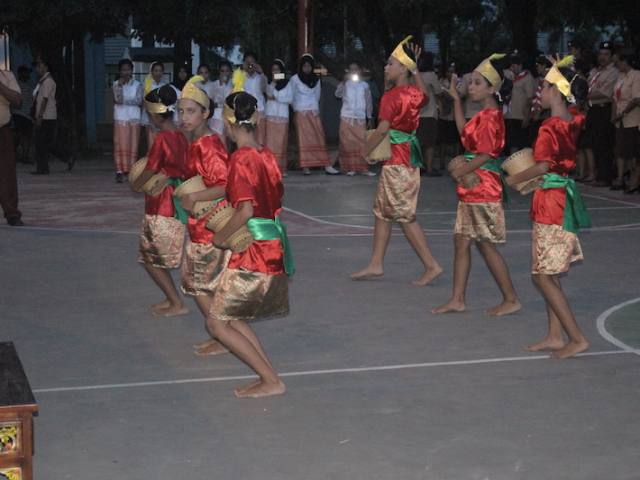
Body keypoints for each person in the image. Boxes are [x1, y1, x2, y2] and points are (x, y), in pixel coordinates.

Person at [206, 90, 293, 398]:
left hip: (253, 250)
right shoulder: (266, 153)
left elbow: (245, 210)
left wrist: (220, 235)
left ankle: (271, 380)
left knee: (217, 324)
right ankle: (268, 374)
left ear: (228, 124)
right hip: (270, 243)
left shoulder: (241, 159)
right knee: (231, 316)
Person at [505, 56, 591, 359]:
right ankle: (555, 335)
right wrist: (565, 69)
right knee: (549, 272)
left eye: (545, 86)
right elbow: (578, 107)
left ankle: (577, 337)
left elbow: (541, 166)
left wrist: (514, 178)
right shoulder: (573, 121)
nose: (540, 91)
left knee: (541, 275)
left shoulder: (548, 128)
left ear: (558, 91)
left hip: (551, 202)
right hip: (561, 199)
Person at [432, 53, 521, 316]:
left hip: (483, 186)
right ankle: (458, 299)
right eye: (470, 82)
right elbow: (464, 134)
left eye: (477, 83)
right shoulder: (483, 115)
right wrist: (456, 100)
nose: (471, 87)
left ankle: (511, 298)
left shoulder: (492, 117)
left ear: (492, 88)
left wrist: (460, 172)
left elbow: (485, 155)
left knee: (484, 244)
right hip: (474, 186)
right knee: (462, 241)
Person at [351, 36, 442, 286]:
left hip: (397, 162)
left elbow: (381, 130)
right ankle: (376, 263)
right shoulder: (412, 93)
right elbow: (424, 95)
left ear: (401, 69)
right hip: (406, 159)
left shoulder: (391, 97)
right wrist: (415, 70)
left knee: (404, 216)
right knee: (382, 212)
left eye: (390, 64)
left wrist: (366, 150)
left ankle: (431, 265)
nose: (385, 67)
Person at [177, 75, 230, 357]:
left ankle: (223, 335)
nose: (183, 117)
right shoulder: (196, 141)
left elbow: (224, 185)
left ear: (206, 113)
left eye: (191, 111)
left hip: (209, 227)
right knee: (201, 284)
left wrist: (194, 197)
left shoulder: (209, 144)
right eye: (180, 111)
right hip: (199, 224)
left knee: (197, 284)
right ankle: (220, 333)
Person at [133, 85, 190, 317]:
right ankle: (171, 298)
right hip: (172, 202)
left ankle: (176, 302)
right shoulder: (180, 136)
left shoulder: (163, 139)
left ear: (156, 114)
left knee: (149, 258)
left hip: (162, 205)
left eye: (149, 113)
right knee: (153, 257)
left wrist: (136, 184)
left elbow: (151, 168)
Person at [291, 54, 339, 175]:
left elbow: (317, 96)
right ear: (301, 66)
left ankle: (326, 164)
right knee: (304, 140)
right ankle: (305, 166)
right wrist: (298, 109)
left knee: (319, 137)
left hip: (313, 111)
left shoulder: (316, 79)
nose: (306, 68)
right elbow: (292, 97)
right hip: (301, 112)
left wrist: (312, 108)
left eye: (309, 66)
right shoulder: (294, 79)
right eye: (304, 66)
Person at [32, 59, 74, 175]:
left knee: (41, 142)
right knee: (45, 143)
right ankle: (65, 158)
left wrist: (40, 116)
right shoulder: (42, 81)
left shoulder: (48, 81)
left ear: (45, 67)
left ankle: (44, 168)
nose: (37, 69)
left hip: (47, 116)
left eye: (39, 66)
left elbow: (45, 99)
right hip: (45, 116)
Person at [586, 41, 619, 187]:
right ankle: (598, 175)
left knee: (605, 144)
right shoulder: (595, 72)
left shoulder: (614, 72)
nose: (602, 57)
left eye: (606, 54)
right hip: (592, 110)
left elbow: (605, 93)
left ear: (612, 56)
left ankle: (606, 177)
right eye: (600, 54)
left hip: (604, 109)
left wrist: (586, 94)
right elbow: (588, 89)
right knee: (595, 143)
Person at [335, 61, 375, 176]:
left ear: (359, 70)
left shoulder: (365, 86)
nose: (354, 71)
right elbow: (337, 94)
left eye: (356, 69)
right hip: (347, 116)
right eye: (351, 69)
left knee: (361, 143)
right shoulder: (345, 84)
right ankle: (350, 168)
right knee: (347, 144)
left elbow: (368, 102)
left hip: (360, 117)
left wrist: (369, 116)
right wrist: (343, 81)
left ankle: (363, 168)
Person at [612, 49, 640, 192]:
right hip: (620, 119)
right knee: (621, 150)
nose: (618, 64)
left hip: (632, 119)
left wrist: (623, 113)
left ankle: (634, 181)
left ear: (626, 62)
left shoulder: (636, 75)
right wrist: (616, 114)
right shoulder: (621, 76)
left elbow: (636, 98)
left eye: (621, 62)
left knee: (632, 151)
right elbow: (615, 97)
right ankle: (621, 177)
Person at [112, 58, 143, 183]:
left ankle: (131, 170)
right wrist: (120, 86)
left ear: (132, 71)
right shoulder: (115, 84)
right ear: (120, 71)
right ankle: (119, 170)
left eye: (128, 69)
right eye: (123, 70)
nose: (126, 72)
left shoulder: (138, 85)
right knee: (119, 143)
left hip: (134, 118)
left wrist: (125, 101)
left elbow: (139, 100)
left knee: (133, 144)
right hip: (120, 117)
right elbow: (117, 99)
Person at [0, 67, 23, 226]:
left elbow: (17, 101)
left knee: (7, 173)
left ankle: (12, 213)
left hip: (3, 130)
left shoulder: (6, 76)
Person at [265, 59, 293, 174]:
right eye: (273, 70)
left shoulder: (288, 83)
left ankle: (281, 168)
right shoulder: (270, 84)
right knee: (270, 143)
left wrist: (277, 98)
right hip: (271, 115)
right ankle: (271, 168)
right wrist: (274, 83)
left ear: (282, 71)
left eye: (277, 70)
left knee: (281, 143)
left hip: (282, 116)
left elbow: (290, 99)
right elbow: (268, 95)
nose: (275, 72)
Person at [417, 51, 443, 176]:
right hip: (429, 112)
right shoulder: (431, 75)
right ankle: (429, 168)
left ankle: (419, 166)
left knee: (418, 142)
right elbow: (438, 91)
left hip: (414, 113)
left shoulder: (412, 75)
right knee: (430, 143)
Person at [504, 51, 536, 153]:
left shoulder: (527, 78)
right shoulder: (510, 77)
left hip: (520, 117)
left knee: (520, 144)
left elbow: (529, 98)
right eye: (511, 66)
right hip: (508, 115)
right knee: (511, 144)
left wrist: (527, 117)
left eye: (514, 66)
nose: (512, 68)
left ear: (520, 65)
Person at [437, 62, 462, 165]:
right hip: (444, 115)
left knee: (456, 141)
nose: (450, 74)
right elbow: (438, 94)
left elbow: (459, 95)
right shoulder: (441, 82)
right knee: (443, 141)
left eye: (453, 71)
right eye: (448, 71)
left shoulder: (459, 82)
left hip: (455, 116)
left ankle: (457, 163)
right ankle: (442, 163)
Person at [241, 52, 268, 145]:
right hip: (246, 112)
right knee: (247, 138)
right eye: (247, 62)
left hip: (260, 110)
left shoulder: (261, 77)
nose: (250, 65)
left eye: (252, 62)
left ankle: (260, 158)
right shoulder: (241, 77)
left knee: (260, 139)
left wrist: (262, 72)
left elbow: (265, 89)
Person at [141, 62, 167, 152]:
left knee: (161, 145)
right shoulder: (147, 85)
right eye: (156, 70)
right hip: (150, 118)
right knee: (151, 145)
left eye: (160, 71)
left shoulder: (165, 86)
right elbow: (145, 102)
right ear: (151, 72)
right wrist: (152, 117)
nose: (158, 73)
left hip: (161, 119)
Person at [11, 65, 34, 164]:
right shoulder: (16, 85)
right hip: (19, 114)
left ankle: (25, 156)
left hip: (28, 115)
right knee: (19, 135)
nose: (28, 75)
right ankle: (13, 154)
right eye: (26, 73)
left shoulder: (30, 85)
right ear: (21, 74)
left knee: (27, 136)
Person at [209, 61, 233, 143]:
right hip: (217, 116)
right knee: (218, 142)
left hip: (229, 117)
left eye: (227, 70)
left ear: (230, 72)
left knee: (229, 142)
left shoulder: (233, 84)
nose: (225, 73)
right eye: (222, 71)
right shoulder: (213, 85)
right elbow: (209, 102)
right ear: (219, 72)